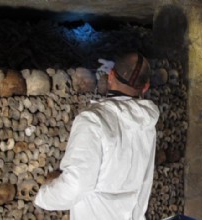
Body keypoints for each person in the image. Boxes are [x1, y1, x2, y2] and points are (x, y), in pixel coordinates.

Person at [34, 52, 159, 220]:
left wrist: (42, 196)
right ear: (145, 87)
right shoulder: (147, 125)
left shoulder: (93, 121)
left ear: (110, 76)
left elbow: (76, 184)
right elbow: (145, 184)